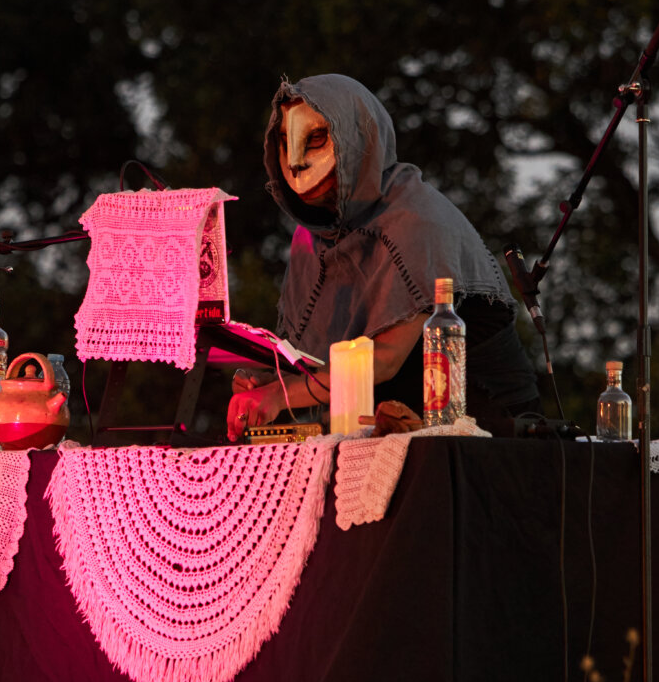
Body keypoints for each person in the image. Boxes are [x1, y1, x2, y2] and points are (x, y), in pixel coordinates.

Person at [227, 74, 540, 441]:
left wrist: (281, 394)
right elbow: (321, 364)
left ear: (358, 139)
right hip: (388, 433)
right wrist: (271, 382)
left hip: (485, 432)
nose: (294, 162)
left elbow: (386, 357)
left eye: (314, 139)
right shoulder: (312, 241)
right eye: (284, 142)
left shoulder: (416, 218)